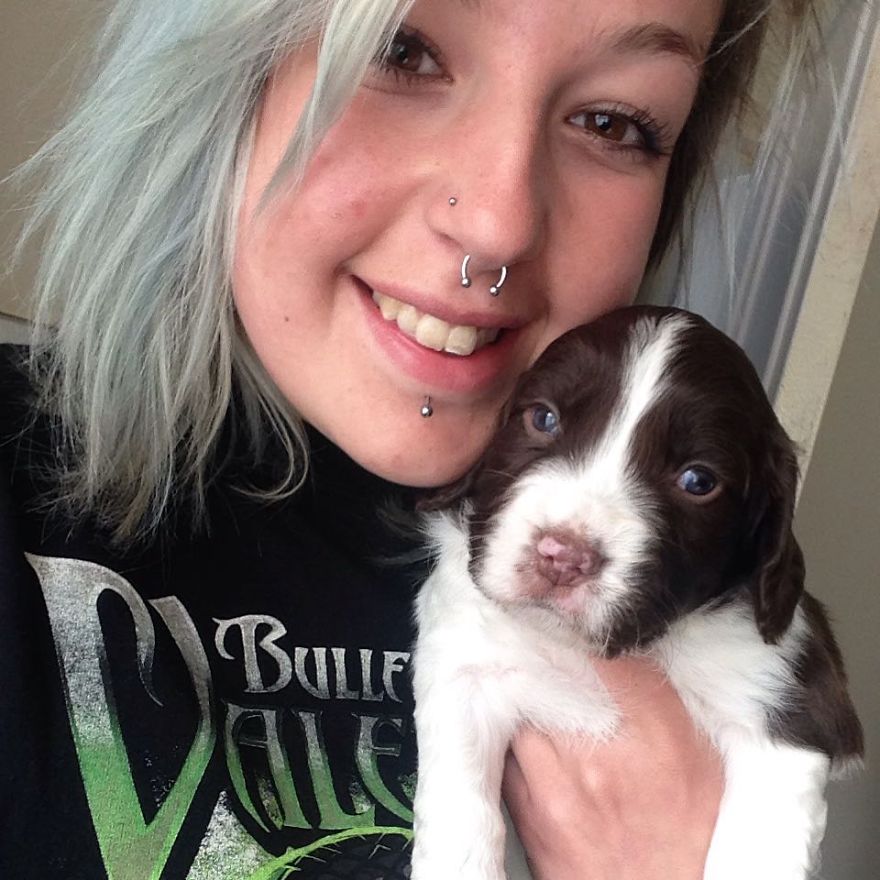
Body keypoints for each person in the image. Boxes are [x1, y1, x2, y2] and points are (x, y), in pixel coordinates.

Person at [0, 1, 826, 877]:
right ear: (222, 69)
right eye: (404, 51)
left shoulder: (698, 586)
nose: (497, 224)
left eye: (613, 121)